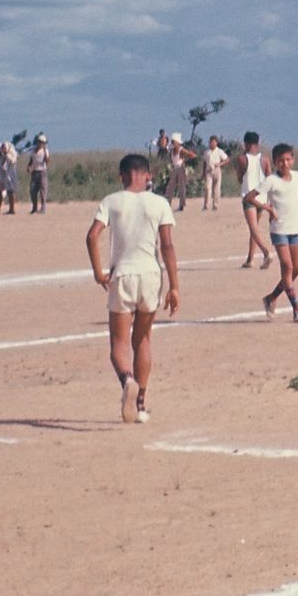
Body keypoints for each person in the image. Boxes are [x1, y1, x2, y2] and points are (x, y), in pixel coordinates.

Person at [85, 153, 181, 423]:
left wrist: (98, 272)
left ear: (121, 176)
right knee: (143, 340)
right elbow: (167, 246)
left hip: (123, 275)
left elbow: (92, 236)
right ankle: (140, 405)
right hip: (150, 275)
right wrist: (174, 286)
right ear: (148, 176)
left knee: (119, 343)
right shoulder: (160, 203)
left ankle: (127, 379)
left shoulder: (111, 201)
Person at [245, 142, 298, 323]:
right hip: (279, 229)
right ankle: (296, 308)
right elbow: (249, 197)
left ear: (293, 160)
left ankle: (272, 297)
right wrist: (268, 209)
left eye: (288, 159)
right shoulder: (271, 180)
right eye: (280, 161)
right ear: (275, 162)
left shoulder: (297, 177)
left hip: (296, 227)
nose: (285, 164)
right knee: (287, 266)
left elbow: (295, 196)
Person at [233, 132, 272, 269]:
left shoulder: (242, 159)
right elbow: (269, 177)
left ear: (246, 143)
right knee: (254, 228)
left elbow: (239, 178)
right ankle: (250, 258)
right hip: (262, 197)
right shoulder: (265, 160)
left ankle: (266, 252)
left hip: (248, 196)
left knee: (253, 228)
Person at [166, 132, 192, 210]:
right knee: (170, 187)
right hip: (175, 169)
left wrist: (184, 160)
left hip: (181, 168)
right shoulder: (171, 151)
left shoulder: (181, 150)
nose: (173, 143)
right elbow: (171, 160)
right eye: (172, 141)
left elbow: (192, 155)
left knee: (182, 187)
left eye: (174, 141)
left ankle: (182, 205)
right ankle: (167, 204)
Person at [201, 135, 227, 210]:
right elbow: (204, 162)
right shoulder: (206, 152)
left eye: (213, 142)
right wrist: (203, 173)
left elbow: (227, 159)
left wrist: (220, 164)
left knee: (217, 189)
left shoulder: (219, 151)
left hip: (217, 170)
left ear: (216, 143)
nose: (211, 143)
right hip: (208, 171)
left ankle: (215, 205)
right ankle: (206, 205)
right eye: (210, 142)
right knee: (207, 188)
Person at [27, 135, 51, 213]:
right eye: (40, 142)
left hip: (42, 171)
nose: (41, 144)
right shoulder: (33, 150)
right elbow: (31, 160)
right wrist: (29, 167)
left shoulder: (45, 151)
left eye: (43, 143)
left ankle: (43, 208)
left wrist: (44, 153)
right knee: (32, 190)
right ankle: (34, 208)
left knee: (43, 190)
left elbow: (47, 161)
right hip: (34, 172)